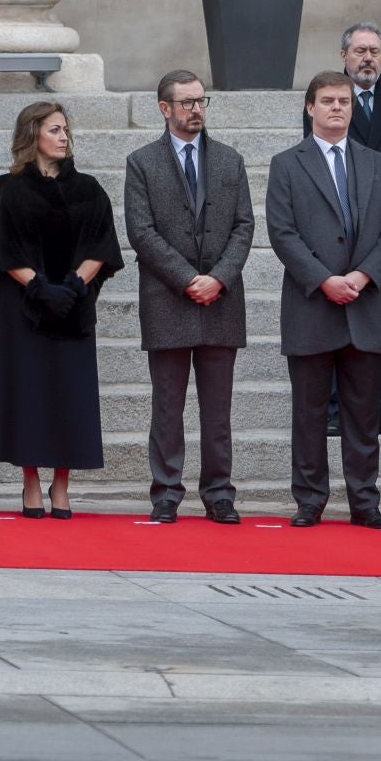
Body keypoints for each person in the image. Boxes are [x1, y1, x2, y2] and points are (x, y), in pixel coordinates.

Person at [268, 70, 381, 528]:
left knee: (364, 414)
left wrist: (364, 275)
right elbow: (282, 233)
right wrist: (325, 279)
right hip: (312, 304)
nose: (336, 108)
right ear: (310, 107)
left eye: (344, 101)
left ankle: (365, 501)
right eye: (327, 100)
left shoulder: (377, 163)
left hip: (365, 306)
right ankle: (310, 499)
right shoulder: (287, 163)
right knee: (309, 414)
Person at [0, 102, 124, 519]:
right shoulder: (7, 188)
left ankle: (62, 484)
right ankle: (31, 483)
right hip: (22, 312)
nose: (63, 137)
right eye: (54, 129)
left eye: (65, 130)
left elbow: (102, 244)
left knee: (68, 398)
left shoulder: (89, 189)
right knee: (29, 396)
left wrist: (73, 285)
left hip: (73, 309)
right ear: (32, 134)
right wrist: (38, 286)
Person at [125, 71, 255, 525]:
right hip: (168, 300)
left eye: (202, 101)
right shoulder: (141, 162)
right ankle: (166, 492)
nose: (196, 109)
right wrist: (187, 279)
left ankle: (219, 493)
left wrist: (217, 278)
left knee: (218, 411)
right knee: (167, 406)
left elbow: (244, 226)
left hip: (221, 301)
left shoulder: (230, 160)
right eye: (187, 103)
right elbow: (141, 232)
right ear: (165, 108)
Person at [302, 22, 381, 436]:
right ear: (344, 56)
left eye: (374, 50)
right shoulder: (326, 102)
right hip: (337, 230)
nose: (367, 58)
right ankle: (336, 408)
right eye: (359, 51)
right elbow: (316, 163)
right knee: (338, 321)